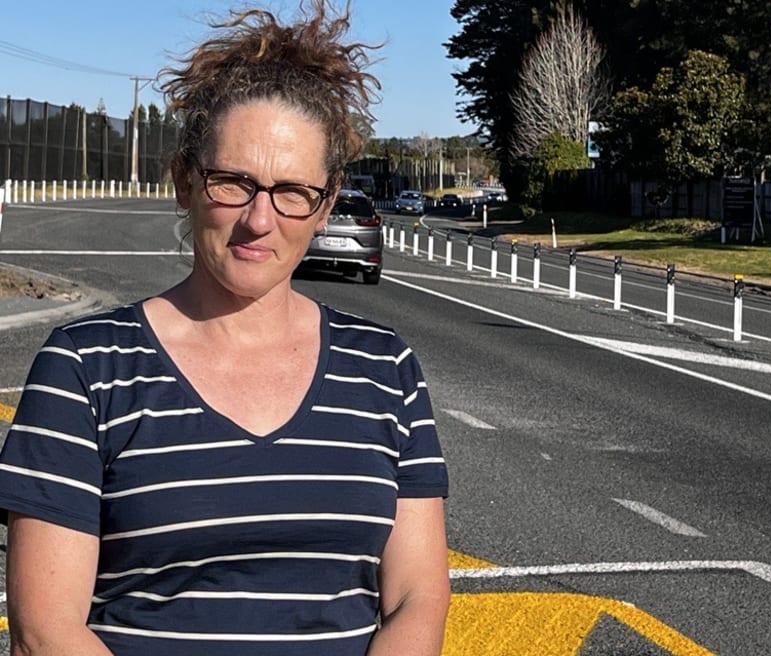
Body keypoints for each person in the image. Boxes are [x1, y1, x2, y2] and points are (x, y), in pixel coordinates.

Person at [0, 2, 450, 655]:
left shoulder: (386, 368)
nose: (260, 220)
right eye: (233, 182)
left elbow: (417, 598)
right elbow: (46, 631)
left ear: (324, 205)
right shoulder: (84, 367)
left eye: (292, 191)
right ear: (185, 179)